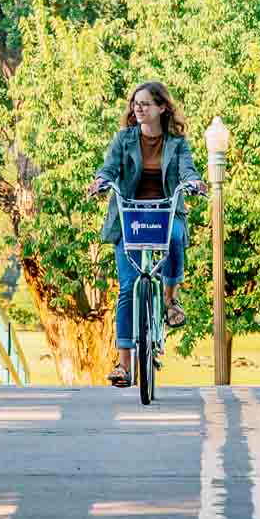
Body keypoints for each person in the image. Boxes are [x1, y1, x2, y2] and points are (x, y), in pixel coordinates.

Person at [87, 81, 206, 388]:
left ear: (162, 108)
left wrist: (194, 183)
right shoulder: (123, 139)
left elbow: (186, 170)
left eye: (145, 104)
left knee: (175, 237)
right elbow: (109, 168)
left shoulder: (176, 143)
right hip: (131, 215)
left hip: (164, 211)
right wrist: (101, 181)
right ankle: (124, 365)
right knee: (128, 286)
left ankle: (170, 300)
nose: (137, 108)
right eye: (135, 103)